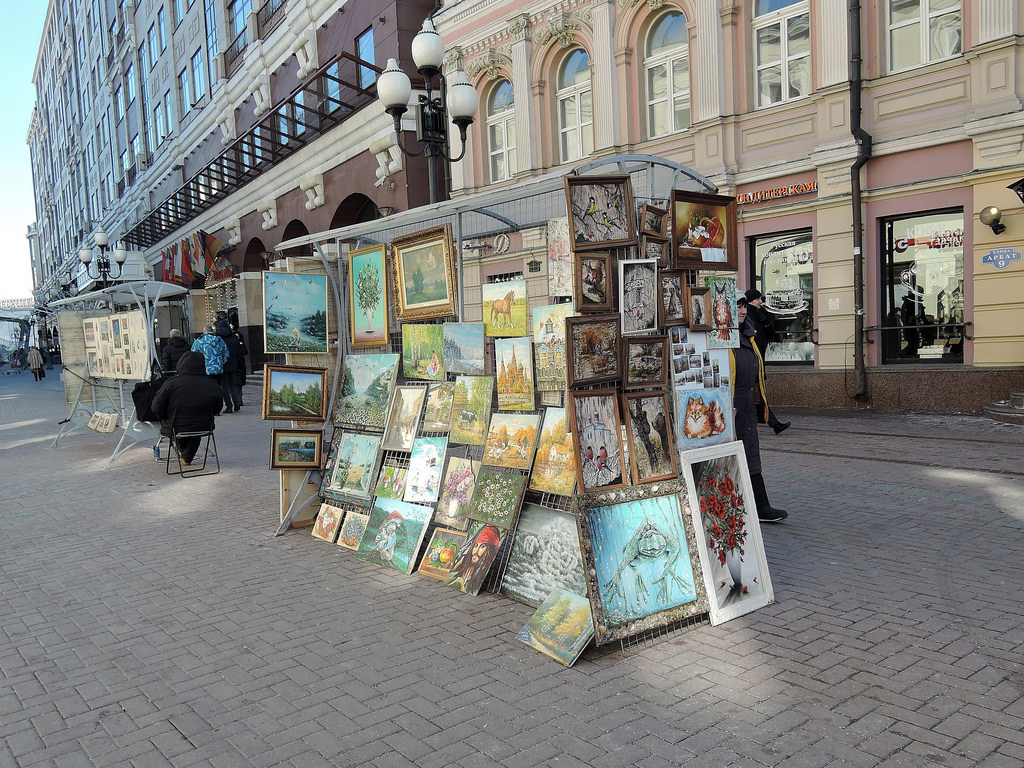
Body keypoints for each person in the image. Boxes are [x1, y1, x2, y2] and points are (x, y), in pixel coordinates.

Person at [730, 296, 789, 523]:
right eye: (737, 305)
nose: (743, 310)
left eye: (744, 306)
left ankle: (761, 505)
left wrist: (759, 402)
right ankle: (738, 504)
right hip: (729, 402)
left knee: (751, 453)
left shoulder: (749, 334)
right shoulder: (723, 337)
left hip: (746, 404)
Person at [151, 351, 223, 465]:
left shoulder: (171, 383)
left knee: (181, 428)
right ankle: (186, 457)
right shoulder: (212, 384)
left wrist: (162, 416)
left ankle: (184, 454)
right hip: (204, 424)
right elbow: (218, 408)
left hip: (175, 425)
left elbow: (156, 406)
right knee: (194, 428)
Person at [744, 289, 790, 435]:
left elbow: (772, 335)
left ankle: (771, 423)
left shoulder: (760, 314)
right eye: (758, 299)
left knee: (756, 394)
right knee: (757, 394)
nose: (761, 302)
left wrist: (766, 322)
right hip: (752, 360)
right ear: (751, 300)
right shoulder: (746, 315)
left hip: (760, 359)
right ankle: (774, 423)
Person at [215, 319, 242, 412]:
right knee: (232, 384)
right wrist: (240, 365)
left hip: (222, 364)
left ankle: (229, 406)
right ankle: (236, 401)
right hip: (233, 364)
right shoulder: (233, 337)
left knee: (224, 386)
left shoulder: (218, 338)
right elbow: (239, 353)